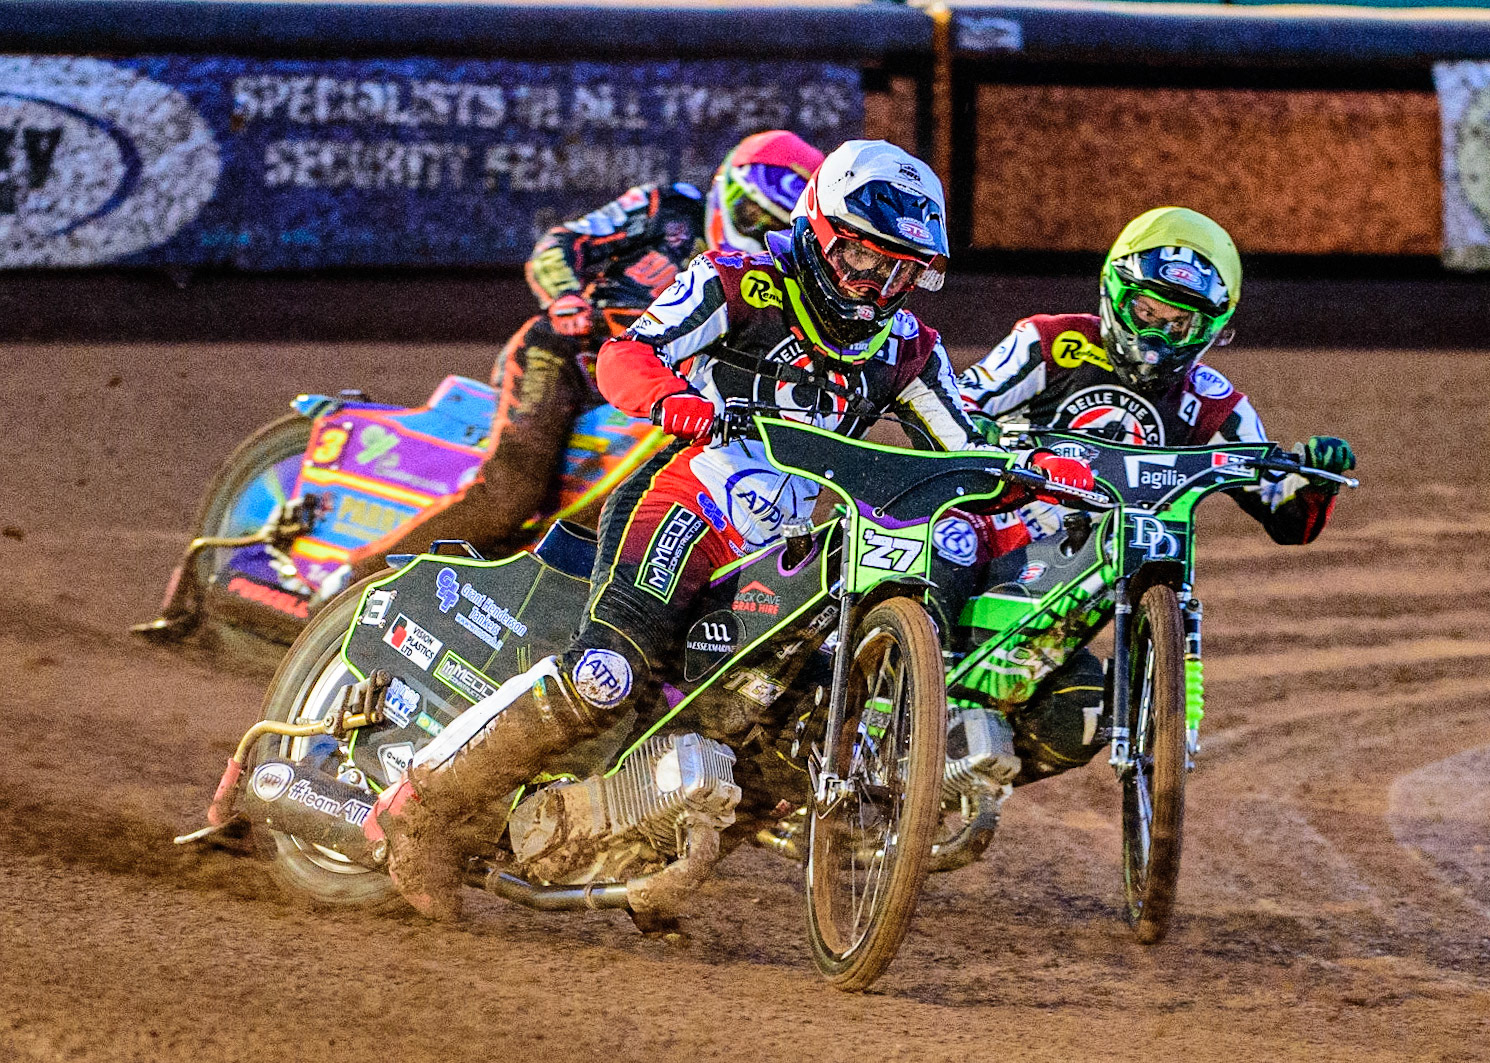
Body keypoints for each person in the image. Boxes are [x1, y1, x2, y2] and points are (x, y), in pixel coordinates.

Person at [366, 140, 1095, 920]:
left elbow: (965, 447)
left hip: (779, 551)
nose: (872, 283)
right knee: (606, 673)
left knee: (795, 732)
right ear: (817, 227)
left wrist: (1043, 471)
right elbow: (626, 356)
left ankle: (649, 855)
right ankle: (420, 810)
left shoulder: (910, 347)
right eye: (859, 256)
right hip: (686, 502)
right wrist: (675, 401)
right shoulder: (736, 281)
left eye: (897, 270)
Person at [943, 206, 1356, 781]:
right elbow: (955, 406)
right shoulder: (1048, 342)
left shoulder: (1215, 403)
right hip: (996, 530)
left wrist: (1311, 479)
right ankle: (886, 679)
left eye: (1179, 324)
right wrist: (989, 437)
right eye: (1147, 311)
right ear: (1117, 291)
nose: (1157, 335)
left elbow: (1286, 517)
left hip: (1083, 582)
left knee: (1084, 713)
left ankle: (965, 789)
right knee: (947, 539)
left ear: (1208, 331)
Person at [339, 131, 827, 586]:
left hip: (668, 397)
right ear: (724, 188)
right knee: (512, 497)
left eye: (775, 226)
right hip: (572, 356)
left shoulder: (784, 283)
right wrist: (565, 297)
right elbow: (561, 243)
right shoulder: (668, 207)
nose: (758, 230)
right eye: (750, 214)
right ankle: (354, 584)